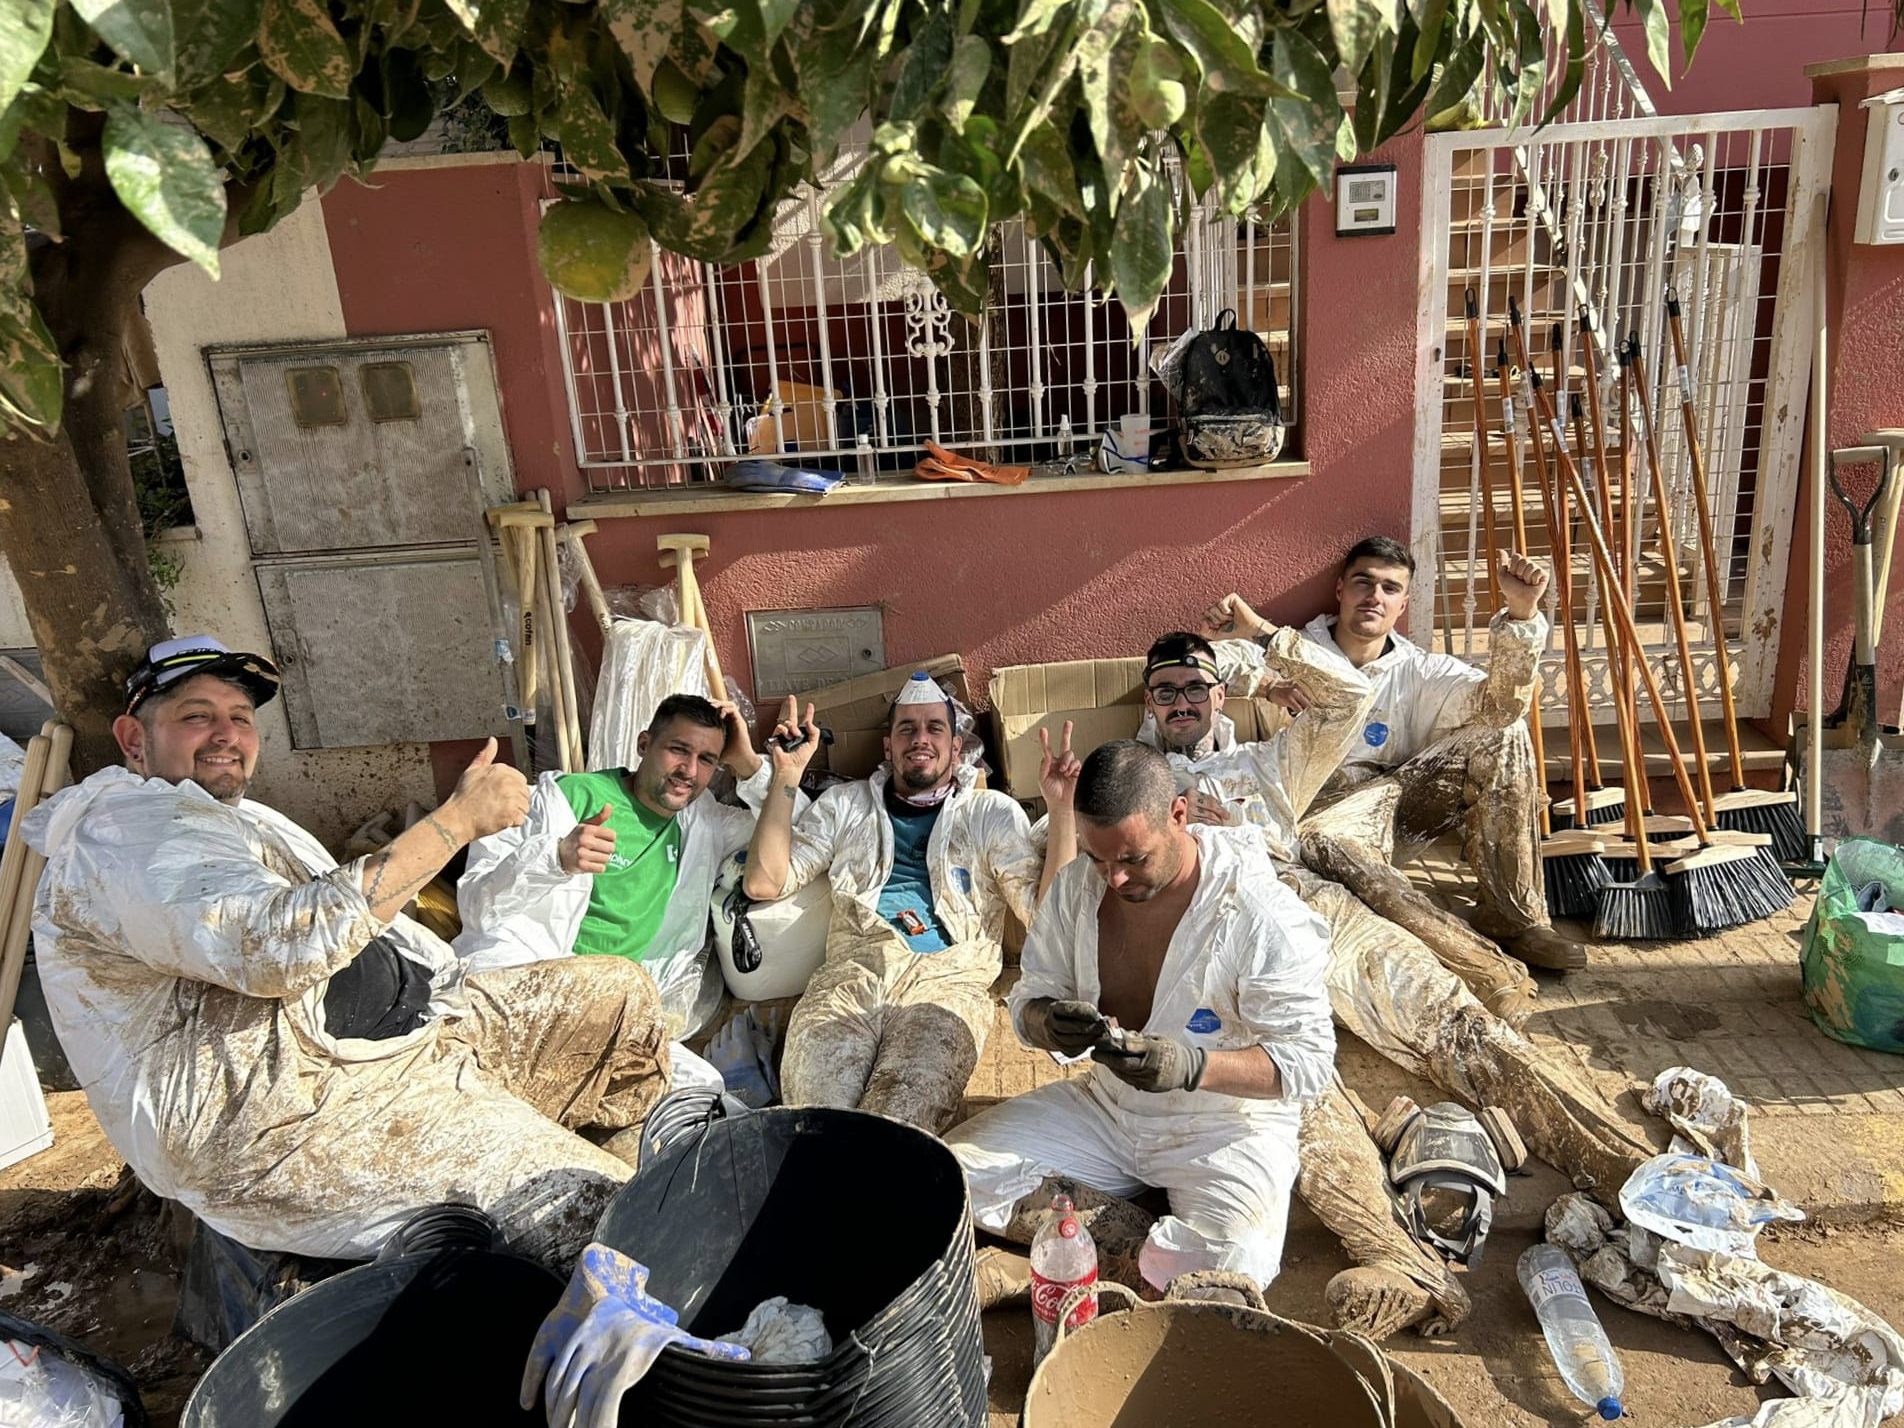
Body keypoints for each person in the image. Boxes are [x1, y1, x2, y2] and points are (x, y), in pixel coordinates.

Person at [24, 636, 675, 1268]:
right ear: (135, 739)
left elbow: (358, 922)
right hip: (289, 1121)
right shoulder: (126, 839)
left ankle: (611, 1200)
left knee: (619, 994)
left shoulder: (227, 815)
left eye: (240, 718)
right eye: (196, 717)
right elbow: (273, 948)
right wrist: (454, 824)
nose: (226, 734)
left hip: (401, 1047)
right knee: (588, 1205)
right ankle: (607, 1233)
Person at [1175, 584, 1656, 1336]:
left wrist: (1260, 641)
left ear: (1223, 696)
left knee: (1465, 1031)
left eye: (1195, 685)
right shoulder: (1132, 782)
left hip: (1314, 912)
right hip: (1217, 948)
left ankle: (1640, 1177)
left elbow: (1349, 692)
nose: (1180, 700)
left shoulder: (1269, 766)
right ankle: (1404, 1266)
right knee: (1294, 1099)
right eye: (1163, 689)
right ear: (1145, 705)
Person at [948, 742, 1336, 1294]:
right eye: (1097, 858)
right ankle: (1130, 1251)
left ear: (1179, 815)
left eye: (1134, 859)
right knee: (945, 1177)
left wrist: (1192, 1067)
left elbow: (1308, 1064)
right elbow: (1031, 993)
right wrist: (1044, 1022)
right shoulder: (1076, 888)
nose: (1114, 879)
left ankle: (1065, 1251)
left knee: (1232, 1267)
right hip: (1108, 1109)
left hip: (1223, 1128)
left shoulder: (1256, 913)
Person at [738, 673, 1078, 1133]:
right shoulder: (845, 806)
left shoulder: (989, 813)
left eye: (935, 728)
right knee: (816, 1125)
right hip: (851, 976)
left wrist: (1061, 812)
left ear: (957, 749)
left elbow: (1046, 921)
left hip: (949, 980)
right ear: (888, 746)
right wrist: (786, 776)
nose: (920, 739)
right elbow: (763, 882)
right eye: (907, 729)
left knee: (898, 1130)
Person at [1252, 535, 1587, 973]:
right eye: (1363, 583)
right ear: (1340, 590)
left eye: (1390, 588)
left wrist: (1522, 614)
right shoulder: (1287, 651)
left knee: (1503, 733)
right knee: (1339, 856)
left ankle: (1515, 918)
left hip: (1396, 807)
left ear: (1403, 604)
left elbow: (1501, 707)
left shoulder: (1418, 669)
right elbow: (1217, 681)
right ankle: (1469, 960)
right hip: (1319, 817)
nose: (1375, 597)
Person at [455, 693, 799, 1086]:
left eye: (707, 760)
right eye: (678, 750)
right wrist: (554, 858)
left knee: (705, 1090)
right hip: (540, 991)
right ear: (643, 744)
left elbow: (795, 830)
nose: (689, 770)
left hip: (620, 1016)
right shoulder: (565, 799)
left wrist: (749, 763)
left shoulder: (703, 825)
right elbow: (478, 907)